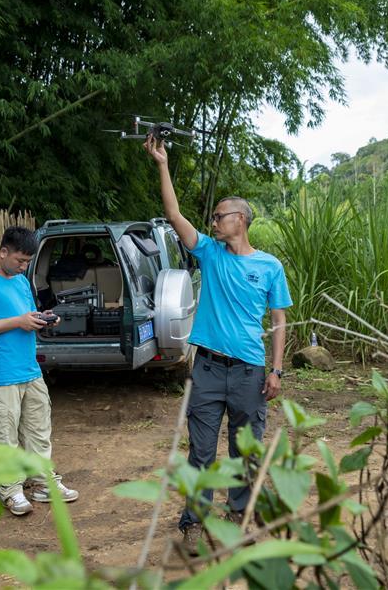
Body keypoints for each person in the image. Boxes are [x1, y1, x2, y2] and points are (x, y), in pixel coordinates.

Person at [145, 135, 292, 554]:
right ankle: (193, 524)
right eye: (212, 218)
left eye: (220, 216)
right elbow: (173, 215)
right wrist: (162, 165)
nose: (213, 222)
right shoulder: (210, 253)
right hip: (207, 369)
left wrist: (276, 370)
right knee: (201, 453)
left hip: (249, 371)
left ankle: (239, 517)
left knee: (245, 452)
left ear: (240, 220)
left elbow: (279, 321)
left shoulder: (270, 266)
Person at [0, 226, 80, 516]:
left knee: (39, 431)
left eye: (28, 261)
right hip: (1, 373)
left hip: (30, 369)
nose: (24, 266)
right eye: (20, 260)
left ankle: (43, 483)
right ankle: (10, 490)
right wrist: (18, 321)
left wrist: (42, 320)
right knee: (5, 434)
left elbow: (26, 315)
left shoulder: (19, 281)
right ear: (3, 252)